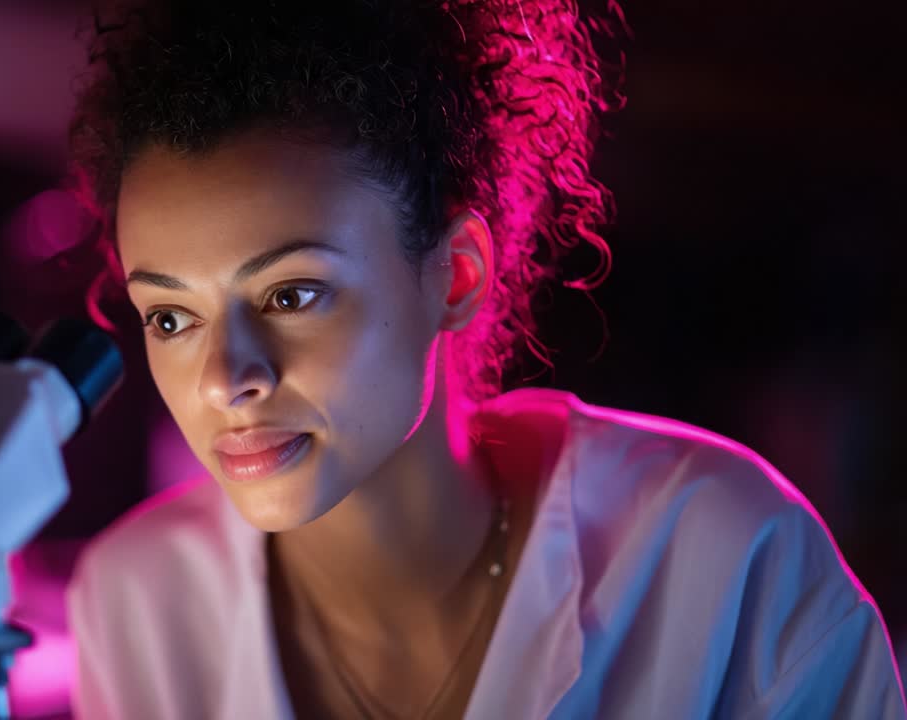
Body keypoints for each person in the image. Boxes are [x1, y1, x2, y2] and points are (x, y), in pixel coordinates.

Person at [62, 0, 907, 717]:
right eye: (171, 316)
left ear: (457, 273)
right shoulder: (137, 604)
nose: (222, 379)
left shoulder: (723, 561)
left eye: (291, 295)